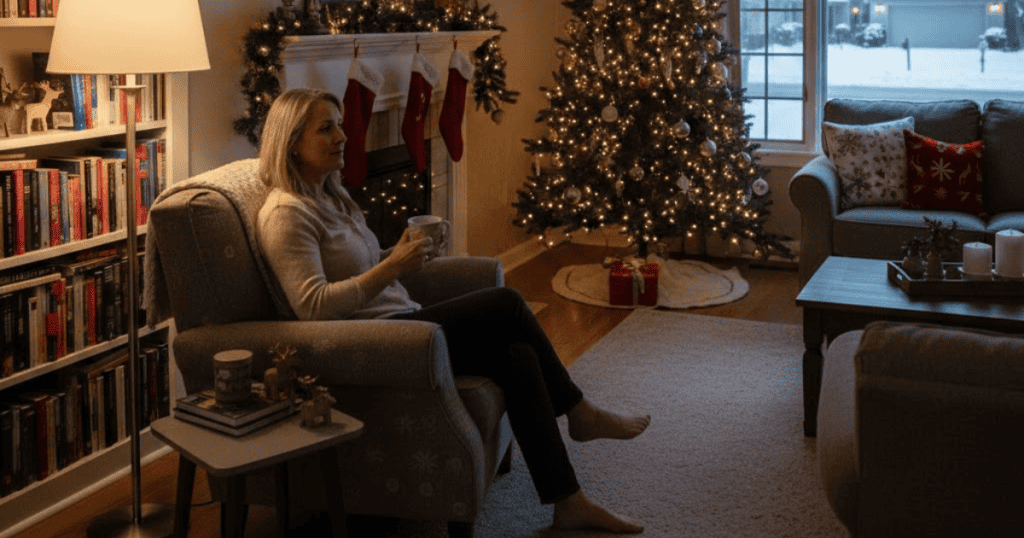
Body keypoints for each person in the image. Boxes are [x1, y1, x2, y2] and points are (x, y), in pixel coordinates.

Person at [256, 88, 651, 534]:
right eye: (326, 128)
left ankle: (568, 501)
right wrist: (391, 268)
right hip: (379, 339)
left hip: (404, 323)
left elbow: (360, 268)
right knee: (506, 303)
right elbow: (312, 306)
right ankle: (580, 411)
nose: (343, 137)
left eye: (340, 125)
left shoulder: (331, 196)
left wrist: (399, 253)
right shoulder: (286, 215)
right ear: (291, 142)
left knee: (519, 358)